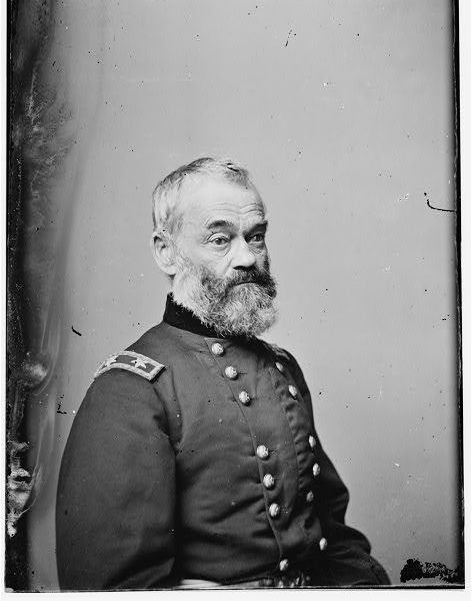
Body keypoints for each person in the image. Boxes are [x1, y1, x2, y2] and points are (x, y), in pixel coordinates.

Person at [56, 157, 390, 590]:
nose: (247, 257)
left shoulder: (282, 368)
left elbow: (333, 539)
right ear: (166, 252)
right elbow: (112, 589)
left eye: (256, 236)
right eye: (220, 240)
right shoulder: (131, 389)